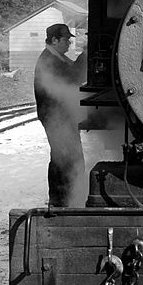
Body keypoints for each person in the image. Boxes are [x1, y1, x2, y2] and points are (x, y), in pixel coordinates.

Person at [34, 23, 86, 207]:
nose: (69, 43)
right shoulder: (49, 61)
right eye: (66, 40)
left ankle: (68, 196)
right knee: (62, 156)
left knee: (67, 156)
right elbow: (73, 77)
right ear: (54, 40)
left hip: (62, 116)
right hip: (55, 117)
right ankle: (60, 200)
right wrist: (86, 54)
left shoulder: (58, 58)